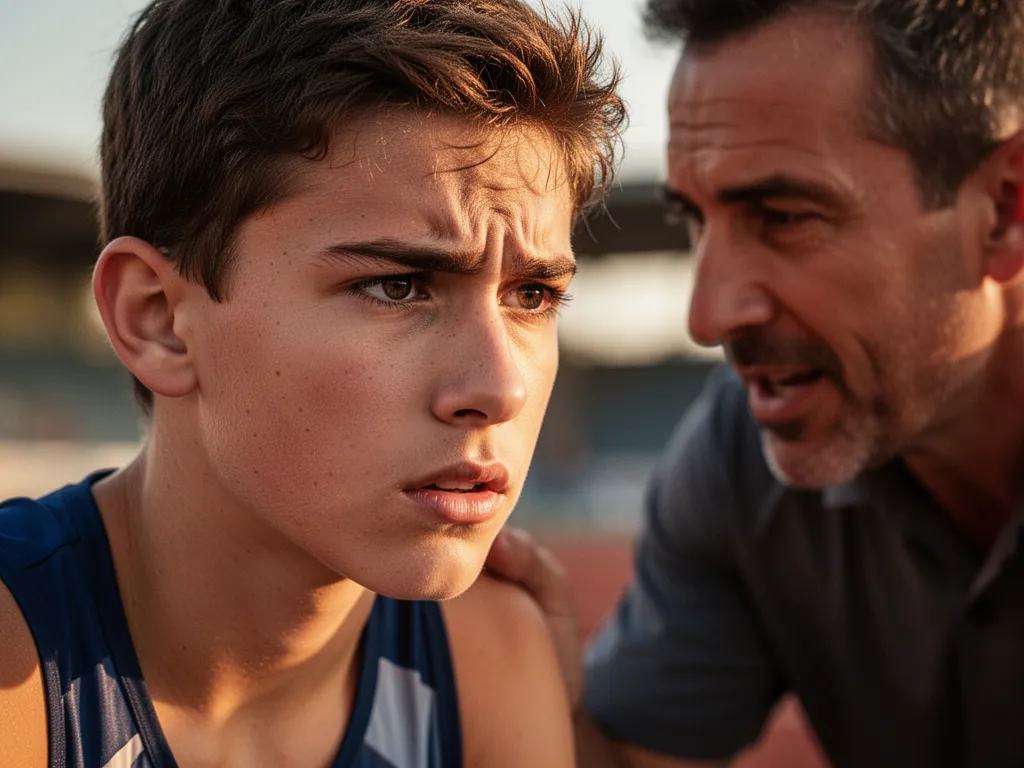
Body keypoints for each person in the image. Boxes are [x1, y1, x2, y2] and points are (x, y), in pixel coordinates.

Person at [0, 1, 625, 765]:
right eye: (397, 287)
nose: (501, 388)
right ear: (157, 318)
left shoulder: (488, 648)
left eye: (531, 295)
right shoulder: (15, 660)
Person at [485, 1, 1024, 766]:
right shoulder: (742, 456)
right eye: (695, 223)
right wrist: (524, 693)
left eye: (784, 217)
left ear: (1004, 211)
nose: (707, 318)